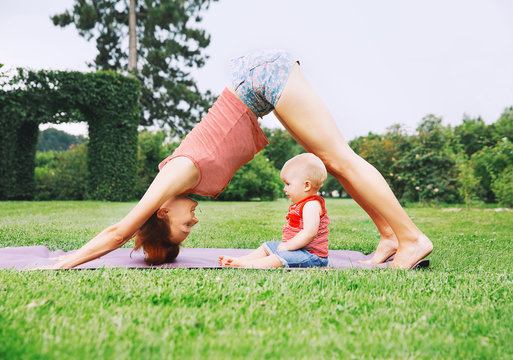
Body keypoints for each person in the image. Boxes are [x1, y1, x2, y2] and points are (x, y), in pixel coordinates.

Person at [47, 49, 432, 270]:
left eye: (185, 226)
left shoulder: (176, 175)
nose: (193, 222)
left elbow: (119, 231)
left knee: (340, 158)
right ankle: (388, 237)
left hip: (261, 79)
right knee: (331, 161)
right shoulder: (184, 184)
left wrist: (62, 262)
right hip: (259, 86)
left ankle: (411, 239)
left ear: (164, 214)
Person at [219, 153, 330, 268]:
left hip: (312, 257)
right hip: (297, 250)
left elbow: (309, 233)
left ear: (306, 185)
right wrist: (287, 246)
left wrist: (288, 246)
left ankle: (249, 264)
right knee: (268, 246)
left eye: (288, 184)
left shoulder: (311, 205)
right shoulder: (302, 204)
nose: (284, 189)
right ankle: (242, 260)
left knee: (280, 258)